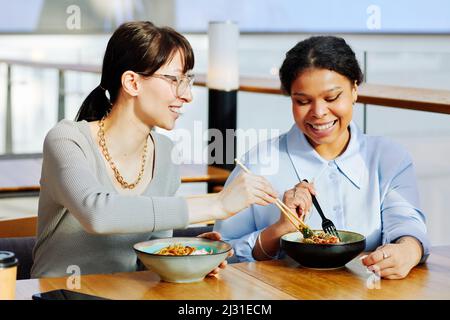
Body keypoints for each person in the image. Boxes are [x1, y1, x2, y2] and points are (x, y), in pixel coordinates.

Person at [31, 21, 277, 278]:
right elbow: (98, 214)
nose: (187, 95)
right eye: (174, 79)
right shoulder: (67, 139)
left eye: (187, 80)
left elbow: (146, 262)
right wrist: (217, 204)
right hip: (58, 294)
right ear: (132, 83)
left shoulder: (166, 153)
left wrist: (188, 258)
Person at [214, 36, 430, 279]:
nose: (318, 113)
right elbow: (222, 253)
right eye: (303, 101)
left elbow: (407, 226)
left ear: (355, 90)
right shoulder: (258, 163)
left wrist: (408, 251)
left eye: (332, 98)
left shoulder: (389, 158)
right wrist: (279, 230)